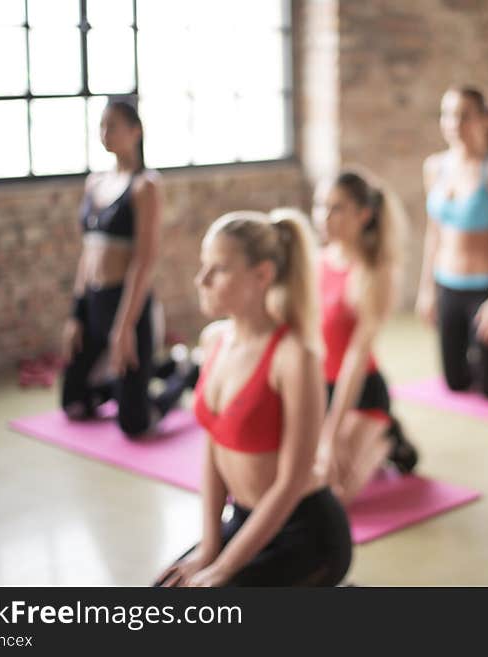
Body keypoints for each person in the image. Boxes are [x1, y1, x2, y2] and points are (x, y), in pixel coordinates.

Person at [156, 210, 352, 586]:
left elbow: (292, 481)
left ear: (262, 274)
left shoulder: (295, 357)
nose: (202, 280)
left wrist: (225, 570)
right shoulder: (214, 340)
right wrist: (210, 550)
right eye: (203, 266)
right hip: (246, 521)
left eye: (219, 269)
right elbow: (214, 450)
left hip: (306, 532)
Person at [60, 99, 192, 437]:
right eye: (102, 126)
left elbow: (144, 260)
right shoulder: (94, 182)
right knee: (73, 403)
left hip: (127, 303)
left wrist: (124, 326)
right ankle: (158, 369)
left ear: (136, 132)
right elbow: (86, 255)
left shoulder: (145, 185)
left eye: (113, 126)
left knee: (134, 424)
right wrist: (76, 314)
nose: (106, 133)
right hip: (93, 302)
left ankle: (184, 375)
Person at [312, 170, 419, 506]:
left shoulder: (375, 274)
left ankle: (388, 436)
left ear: (364, 214)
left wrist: (331, 434)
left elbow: (356, 358)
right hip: (317, 389)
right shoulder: (315, 262)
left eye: (336, 208)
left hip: (360, 393)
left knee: (335, 493)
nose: (324, 217)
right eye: (320, 206)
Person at [417, 86, 488, 400]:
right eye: (448, 115)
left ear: (485, 120)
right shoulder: (434, 167)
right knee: (455, 383)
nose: (454, 123)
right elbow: (433, 233)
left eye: (463, 116)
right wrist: (427, 289)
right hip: (447, 285)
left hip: (485, 289)